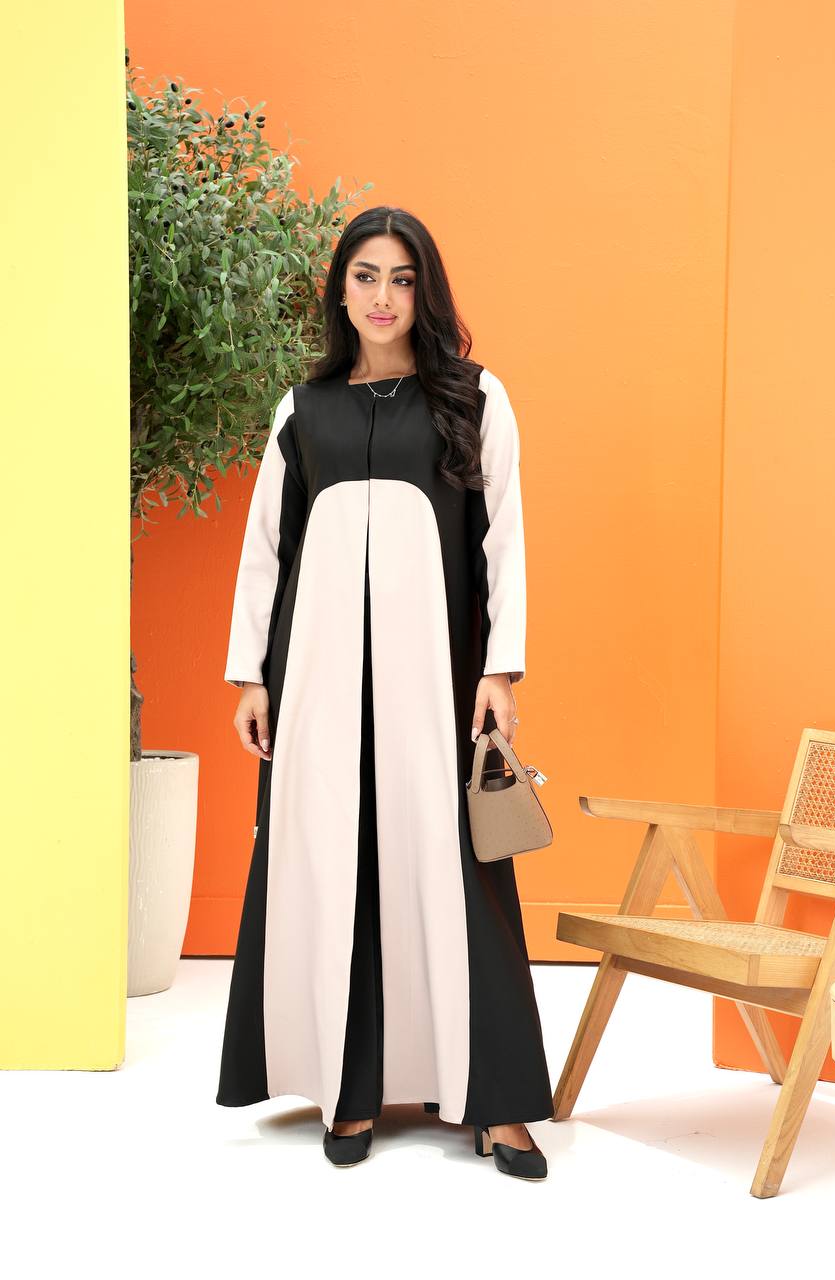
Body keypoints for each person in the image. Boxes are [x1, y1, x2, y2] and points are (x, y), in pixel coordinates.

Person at [216, 205, 551, 1180]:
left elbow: (504, 541)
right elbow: (266, 553)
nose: (382, 296)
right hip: (318, 686)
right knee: (334, 864)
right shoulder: (303, 410)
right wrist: (251, 675)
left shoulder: (474, 398)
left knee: (460, 870)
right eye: (365, 276)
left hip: (434, 684)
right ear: (340, 290)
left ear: (424, 291)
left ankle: (495, 1102)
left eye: (402, 278)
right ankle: (347, 1085)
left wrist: (500, 668)